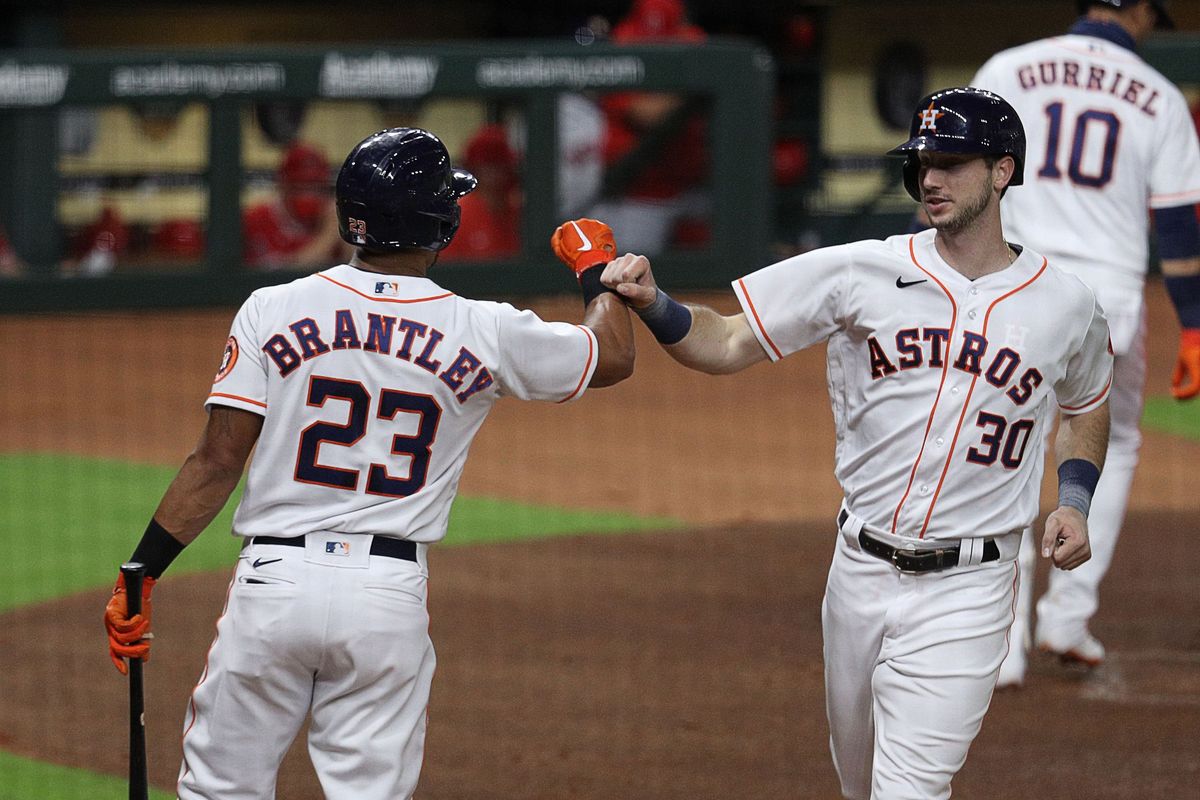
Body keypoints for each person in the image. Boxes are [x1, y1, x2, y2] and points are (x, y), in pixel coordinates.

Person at [602, 88, 1113, 799]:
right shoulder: (857, 271)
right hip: (858, 573)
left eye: (951, 163)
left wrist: (1076, 501)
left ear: (1003, 171)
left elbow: (1087, 404)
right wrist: (656, 305)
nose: (930, 178)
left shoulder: (1066, 303)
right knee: (858, 782)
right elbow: (725, 343)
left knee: (907, 790)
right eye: (922, 164)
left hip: (971, 588)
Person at [103, 127, 636, 799]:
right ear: (440, 221)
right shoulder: (484, 328)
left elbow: (215, 461)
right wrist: (595, 268)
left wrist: (141, 573)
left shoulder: (272, 308)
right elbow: (612, 355)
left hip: (273, 587)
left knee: (220, 789)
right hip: (385, 597)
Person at [970, 0, 1200, 687]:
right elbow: (1178, 227)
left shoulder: (1008, 67)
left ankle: (1000, 643)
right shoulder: (1159, 97)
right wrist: (1194, 323)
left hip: (1016, 286)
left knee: (1002, 449)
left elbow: (960, 182)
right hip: (1110, 301)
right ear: (1141, 14)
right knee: (1114, 442)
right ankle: (1067, 619)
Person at [591, 0, 710, 254]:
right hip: (637, 195)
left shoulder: (694, 42)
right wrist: (689, 88)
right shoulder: (620, 47)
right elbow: (647, 114)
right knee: (632, 268)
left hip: (691, 187)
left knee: (718, 266)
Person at [243, 141, 349, 270]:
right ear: (283, 185)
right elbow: (286, 274)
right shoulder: (255, 219)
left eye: (315, 187)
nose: (308, 194)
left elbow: (356, 269)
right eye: (299, 186)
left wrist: (345, 227)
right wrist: (328, 236)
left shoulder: (334, 216)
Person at [440, 124, 522, 261]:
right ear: (474, 166)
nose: (494, 172)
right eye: (487, 164)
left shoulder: (518, 212)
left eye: (500, 164)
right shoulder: (459, 215)